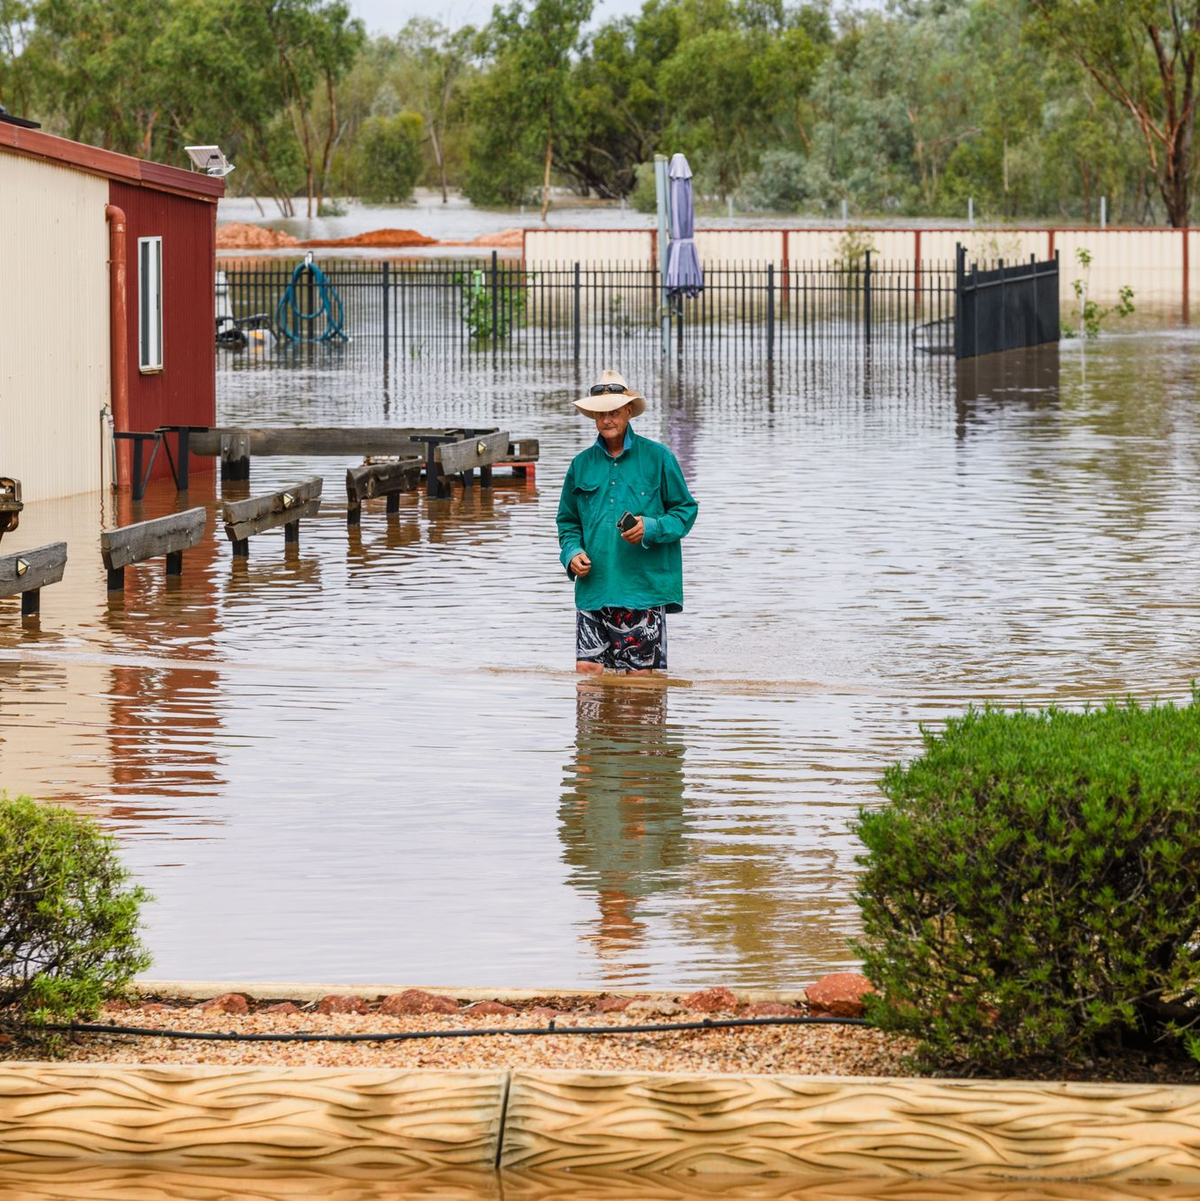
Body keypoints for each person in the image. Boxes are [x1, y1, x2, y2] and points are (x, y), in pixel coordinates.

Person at [556, 370, 698, 674]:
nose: (607, 419)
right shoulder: (580, 465)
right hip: (594, 589)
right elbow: (567, 523)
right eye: (601, 413)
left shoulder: (659, 458)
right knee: (587, 674)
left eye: (614, 412)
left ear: (628, 412)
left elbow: (685, 511)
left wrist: (651, 527)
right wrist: (571, 555)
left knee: (640, 683)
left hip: (642, 589)